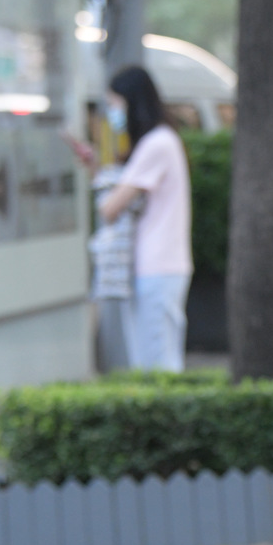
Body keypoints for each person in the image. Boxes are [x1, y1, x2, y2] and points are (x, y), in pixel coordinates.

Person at [95, 67, 192, 370]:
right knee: (155, 357)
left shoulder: (156, 144)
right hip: (158, 265)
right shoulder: (161, 141)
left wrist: (101, 182)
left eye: (115, 104)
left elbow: (111, 207)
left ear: (132, 102)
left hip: (157, 266)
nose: (113, 113)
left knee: (156, 363)